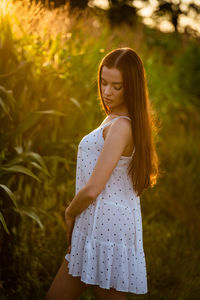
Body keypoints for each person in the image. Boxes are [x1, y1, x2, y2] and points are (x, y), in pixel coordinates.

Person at [46, 47, 159, 300]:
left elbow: (93, 188)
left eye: (116, 86)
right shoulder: (115, 119)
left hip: (106, 227)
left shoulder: (122, 126)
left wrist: (69, 212)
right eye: (104, 82)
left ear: (132, 87)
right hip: (96, 221)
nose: (107, 92)